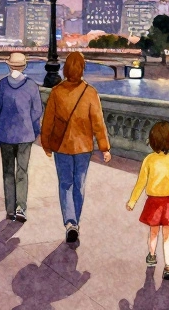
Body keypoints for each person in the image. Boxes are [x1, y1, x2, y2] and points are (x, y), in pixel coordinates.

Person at [40, 51, 111, 244]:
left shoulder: (56, 92)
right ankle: (75, 223)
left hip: (61, 146)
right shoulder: (90, 93)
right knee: (79, 185)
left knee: (65, 184)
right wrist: (104, 147)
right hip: (83, 147)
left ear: (64, 69)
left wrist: (45, 143)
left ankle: (70, 222)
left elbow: (48, 122)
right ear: (82, 69)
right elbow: (98, 123)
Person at [126, 121, 169, 281]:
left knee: (153, 232)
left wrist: (133, 200)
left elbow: (141, 182)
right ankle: (168, 266)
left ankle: (152, 254)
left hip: (153, 202)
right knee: (168, 235)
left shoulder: (148, 159)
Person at [0, 52, 43, 223]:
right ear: (24, 66)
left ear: (9, 65)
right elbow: (37, 112)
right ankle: (21, 207)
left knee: (7, 173)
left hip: (5, 134)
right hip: (25, 135)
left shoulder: (2, 85)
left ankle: (10, 209)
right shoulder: (32, 86)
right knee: (22, 171)